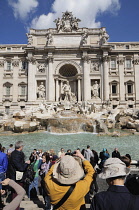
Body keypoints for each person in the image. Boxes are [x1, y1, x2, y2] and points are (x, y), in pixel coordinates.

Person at [8, 141, 30, 210]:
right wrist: (27, 163)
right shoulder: (16, 155)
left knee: (16, 193)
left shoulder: (14, 153)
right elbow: (21, 167)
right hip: (17, 177)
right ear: (21, 147)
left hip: (14, 176)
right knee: (17, 194)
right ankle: (16, 208)